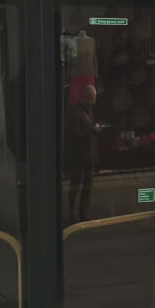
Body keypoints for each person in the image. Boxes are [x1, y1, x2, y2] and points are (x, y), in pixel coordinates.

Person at [65, 83, 101, 221]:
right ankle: (73, 212)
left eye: (94, 98)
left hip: (89, 156)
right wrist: (92, 129)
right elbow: (74, 135)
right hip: (79, 156)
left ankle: (84, 213)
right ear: (86, 97)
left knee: (88, 187)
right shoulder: (75, 113)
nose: (93, 102)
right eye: (92, 98)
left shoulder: (88, 111)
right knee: (76, 185)